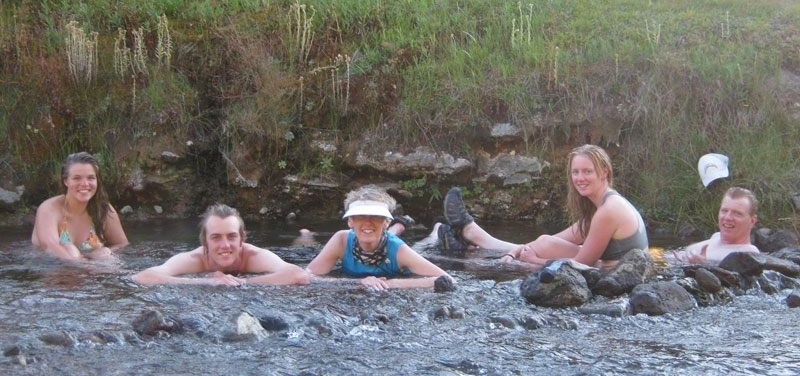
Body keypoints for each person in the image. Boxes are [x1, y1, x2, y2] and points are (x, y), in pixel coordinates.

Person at [434, 144, 648, 270]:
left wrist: (534, 261)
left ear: (604, 172)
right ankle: (473, 236)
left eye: (587, 171)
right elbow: (555, 240)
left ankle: (471, 238)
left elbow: (583, 265)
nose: (580, 178)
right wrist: (518, 251)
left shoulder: (608, 210)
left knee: (535, 253)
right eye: (575, 172)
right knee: (542, 243)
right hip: (609, 272)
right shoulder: (602, 208)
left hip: (615, 282)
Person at [306, 185, 454, 290]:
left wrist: (391, 284)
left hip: (396, 255)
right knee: (374, 232)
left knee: (426, 244)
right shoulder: (341, 240)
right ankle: (400, 226)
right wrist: (359, 282)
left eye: (376, 216)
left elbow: (448, 280)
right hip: (384, 240)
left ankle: (437, 229)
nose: (367, 221)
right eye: (360, 216)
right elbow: (308, 277)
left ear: (386, 221)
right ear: (350, 221)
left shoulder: (399, 250)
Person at [132, 204, 310, 286]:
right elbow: (143, 277)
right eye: (216, 237)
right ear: (204, 242)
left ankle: (306, 236)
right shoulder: (196, 259)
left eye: (232, 236)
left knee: (304, 246)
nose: (225, 245)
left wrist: (243, 282)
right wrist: (206, 282)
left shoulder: (253, 256)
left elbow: (299, 275)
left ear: (242, 240)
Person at [31, 152, 128, 261]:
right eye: (77, 178)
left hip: (92, 272)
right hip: (54, 270)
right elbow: (50, 246)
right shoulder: (49, 209)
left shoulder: (103, 209)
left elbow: (122, 245)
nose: (85, 184)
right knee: (69, 249)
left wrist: (98, 254)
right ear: (66, 181)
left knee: (104, 252)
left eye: (91, 178)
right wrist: (80, 263)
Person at [674, 186, 759, 264]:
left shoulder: (748, 253)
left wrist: (704, 267)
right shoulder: (716, 236)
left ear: (752, 221)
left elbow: (734, 279)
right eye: (724, 211)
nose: (728, 217)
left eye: (737, 213)